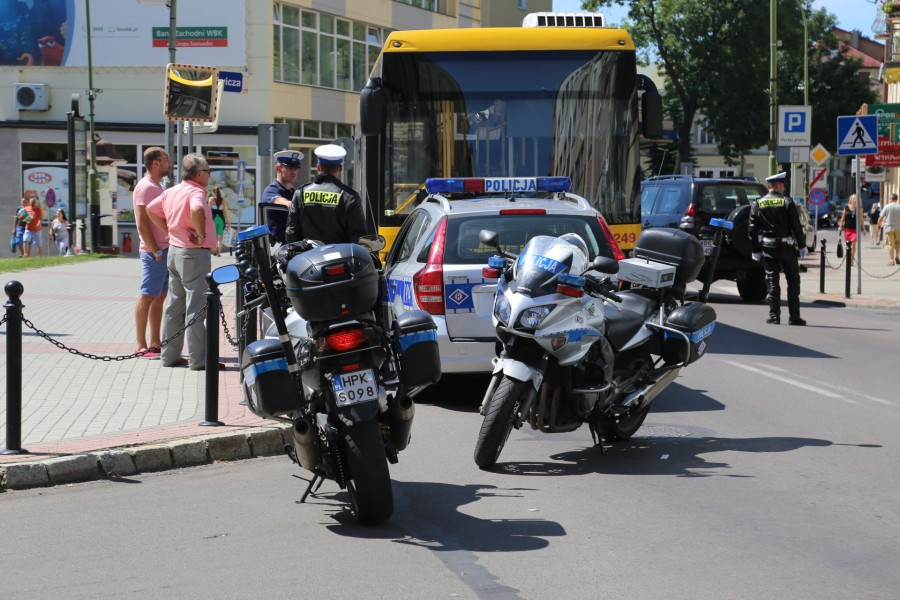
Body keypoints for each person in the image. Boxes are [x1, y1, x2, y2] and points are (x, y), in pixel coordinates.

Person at [146, 153, 221, 371]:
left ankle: (169, 357)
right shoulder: (195, 192)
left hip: (175, 252)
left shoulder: (172, 191)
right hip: (194, 255)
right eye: (208, 171)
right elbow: (197, 209)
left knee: (174, 306)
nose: (209, 175)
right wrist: (199, 232)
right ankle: (199, 360)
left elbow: (151, 209)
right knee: (195, 308)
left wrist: (168, 230)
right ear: (198, 174)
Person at [748, 171, 807, 326]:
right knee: (793, 281)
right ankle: (794, 317)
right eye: (783, 185)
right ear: (778, 186)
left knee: (772, 282)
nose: (784, 188)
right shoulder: (787, 202)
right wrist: (802, 246)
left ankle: (774, 317)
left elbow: (752, 230)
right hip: (787, 248)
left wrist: (755, 250)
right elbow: (796, 226)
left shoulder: (758, 203)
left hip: (768, 248)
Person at [285, 144, 370, 245]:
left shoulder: (301, 193)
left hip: (308, 258)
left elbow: (291, 233)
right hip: (340, 258)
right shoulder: (349, 197)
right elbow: (359, 238)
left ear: (318, 167)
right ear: (340, 168)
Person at [133, 147, 172, 358]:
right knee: (148, 295)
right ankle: (140, 344)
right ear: (156, 163)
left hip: (164, 249)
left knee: (160, 296)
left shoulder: (158, 186)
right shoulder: (146, 187)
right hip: (153, 251)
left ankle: (155, 342)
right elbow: (142, 222)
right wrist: (155, 249)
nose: (169, 163)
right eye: (166, 159)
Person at [261, 149, 303, 244]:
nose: (294, 172)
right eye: (290, 168)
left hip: (293, 246)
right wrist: (290, 204)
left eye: (296, 168)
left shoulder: (294, 192)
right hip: (278, 249)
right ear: (278, 168)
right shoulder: (271, 190)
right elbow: (279, 200)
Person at [878, 193, 900, 266]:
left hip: (889, 228)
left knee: (890, 244)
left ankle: (891, 260)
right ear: (896, 199)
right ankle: (897, 256)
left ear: (890, 199)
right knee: (898, 243)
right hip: (898, 228)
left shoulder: (887, 207)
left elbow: (881, 217)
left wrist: (879, 224)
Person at [208, 186, 231, 256]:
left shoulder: (211, 199)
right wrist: (228, 222)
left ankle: (214, 250)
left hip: (213, 219)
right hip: (221, 219)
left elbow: (208, 210)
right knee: (219, 237)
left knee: (213, 236)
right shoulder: (223, 200)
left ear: (213, 192)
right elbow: (225, 211)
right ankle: (219, 252)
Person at [839, 194, 860, 266]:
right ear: (851, 200)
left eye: (856, 199)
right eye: (853, 198)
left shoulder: (858, 209)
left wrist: (863, 228)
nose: (855, 200)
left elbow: (861, 219)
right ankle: (849, 257)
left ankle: (852, 260)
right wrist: (840, 226)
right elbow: (843, 218)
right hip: (847, 229)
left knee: (853, 246)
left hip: (855, 229)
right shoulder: (846, 208)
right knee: (848, 246)